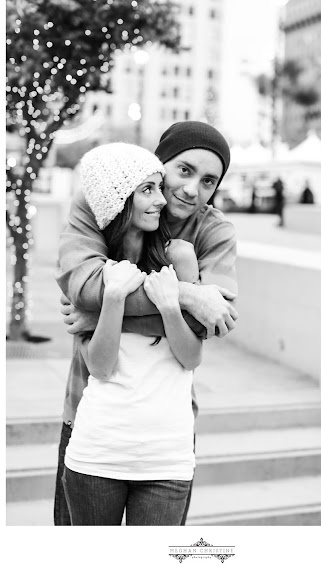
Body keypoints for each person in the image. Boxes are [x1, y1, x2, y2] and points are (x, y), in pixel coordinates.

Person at [54, 121, 238, 525]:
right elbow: (84, 285)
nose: (191, 190)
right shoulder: (99, 201)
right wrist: (187, 295)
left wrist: (98, 313)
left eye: (208, 181)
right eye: (184, 170)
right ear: (158, 163)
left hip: (166, 430)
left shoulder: (211, 232)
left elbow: (210, 322)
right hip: (89, 413)